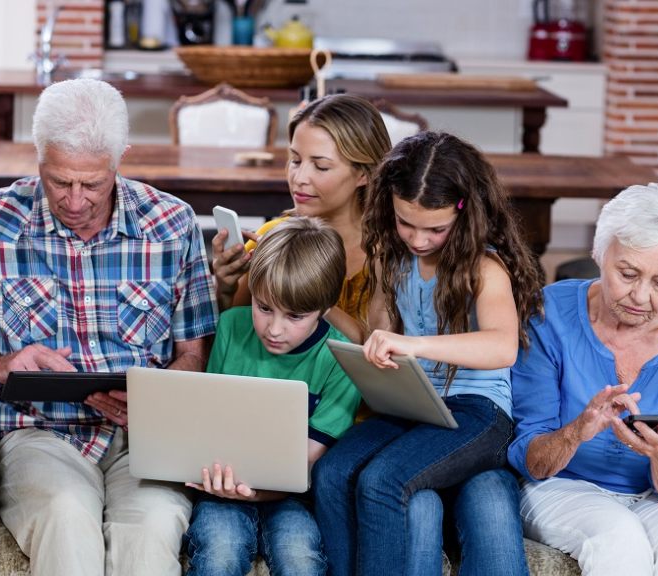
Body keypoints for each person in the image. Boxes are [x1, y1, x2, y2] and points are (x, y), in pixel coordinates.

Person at [0, 79, 217, 575]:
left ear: (120, 162)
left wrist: (159, 395)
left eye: (92, 184)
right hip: (39, 435)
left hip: (146, 440)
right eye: (58, 181)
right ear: (38, 161)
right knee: (68, 515)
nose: (74, 201)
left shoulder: (172, 225)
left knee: (154, 528)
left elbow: (195, 352)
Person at [312, 131, 544, 576]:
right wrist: (322, 308)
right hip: (411, 400)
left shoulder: (484, 266)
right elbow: (377, 335)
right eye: (406, 223)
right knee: (332, 473)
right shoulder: (390, 258)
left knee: (382, 481)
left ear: (464, 212)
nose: (418, 239)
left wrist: (412, 345)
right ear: (388, 205)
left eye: (435, 229)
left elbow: (502, 346)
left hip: (478, 411)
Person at [508, 184, 658, 576]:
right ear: (598, 253)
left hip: (655, 496)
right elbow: (531, 461)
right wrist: (577, 430)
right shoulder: (548, 315)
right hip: (564, 487)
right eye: (627, 273)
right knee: (619, 539)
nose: (641, 296)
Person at [183, 217, 361, 576]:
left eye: (295, 316)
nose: (274, 329)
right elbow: (208, 421)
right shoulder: (232, 327)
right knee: (219, 553)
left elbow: (303, 466)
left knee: (300, 558)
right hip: (222, 488)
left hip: (289, 497)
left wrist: (254, 493)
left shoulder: (342, 358)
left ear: (326, 308)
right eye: (264, 308)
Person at [210, 93, 391, 339]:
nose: (299, 178)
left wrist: (307, 285)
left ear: (364, 174)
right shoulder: (269, 237)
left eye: (321, 166)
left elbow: (374, 349)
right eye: (295, 160)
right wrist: (224, 288)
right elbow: (230, 337)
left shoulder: (391, 253)